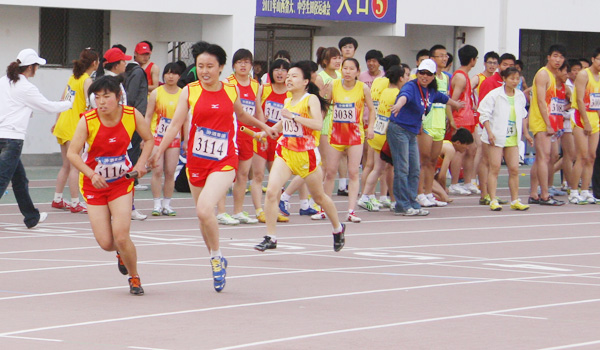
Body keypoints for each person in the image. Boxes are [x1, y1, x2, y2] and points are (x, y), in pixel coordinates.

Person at [148, 41, 277, 292]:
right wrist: (159, 150)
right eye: (200, 66)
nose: (205, 71)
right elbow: (175, 125)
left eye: (210, 66)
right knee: (202, 216)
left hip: (224, 159)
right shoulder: (190, 91)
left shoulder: (230, 90)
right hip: (197, 161)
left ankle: (217, 257)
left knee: (206, 209)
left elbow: (241, 116)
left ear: (220, 68)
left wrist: (264, 127)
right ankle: (215, 257)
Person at [67, 76, 154, 295]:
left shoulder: (131, 115)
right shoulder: (87, 120)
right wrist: (90, 173)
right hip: (94, 185)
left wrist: (141, 165)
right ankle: (119, 252)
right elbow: (72, 153)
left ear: (118, 97)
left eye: (106, 97)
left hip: (121, 183)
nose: (101, 102)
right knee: (107, 242)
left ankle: (134, 277)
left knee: (122, 235)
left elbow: (149, 140)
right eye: (97, 97)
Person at [253, 62, 345, 252]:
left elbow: (318, 125)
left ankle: (338, 228)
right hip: (285, 152)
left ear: (305, 81)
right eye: (288, 76)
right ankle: (271, 237)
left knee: (319, 197)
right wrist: (269, 131)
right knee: (271, 192)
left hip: (306, 155)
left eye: (294, 76)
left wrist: (293, 117)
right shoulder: (288, 100)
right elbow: (283, 120)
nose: (288, 79)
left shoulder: (310, 99)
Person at [0, 49, 72, 228]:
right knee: (2, 180)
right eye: (36, 66)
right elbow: (48, 107)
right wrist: (70, 103)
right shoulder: (26, 87)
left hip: (3, 136)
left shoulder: (4, 81)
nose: (37, 69)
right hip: (13, 139)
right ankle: (31, 216)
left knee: (20, 180)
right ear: (30, 67)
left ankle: (31, 217)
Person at [389, 59, 464, 216]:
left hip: (411, 132)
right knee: (402, 167)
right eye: (421, 73)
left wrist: (456, 105)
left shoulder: (430, 90)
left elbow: (443, 99)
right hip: (399, 129)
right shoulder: (411, 86)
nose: (424, 76)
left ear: (433, 76)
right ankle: (401, 205)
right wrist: (398, 105)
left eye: (428, 74)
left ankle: (412, 202)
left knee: (415, 168)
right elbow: (404, 96)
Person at [317, 58, 375, 223]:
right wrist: (318, 123)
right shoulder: (334, 85)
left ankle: (351, 211)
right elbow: (325, 105)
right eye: (345, 68)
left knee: (353, 172)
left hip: (355, 136)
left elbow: (371, 109)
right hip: (336, 134)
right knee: (330, 171)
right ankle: (324, 209)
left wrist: (370, 127)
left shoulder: (363, 88)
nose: (348, 72)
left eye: (351, 69)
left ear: (358, 71)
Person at [51, 48, 99, 214]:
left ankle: (57, 198)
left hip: (63, 124)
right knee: (75, 167)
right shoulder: (86, 81)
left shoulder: (73, 77)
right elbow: (91, 105)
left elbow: (62, 99)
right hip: (74, 126)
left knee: (66, 165)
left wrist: (56, 122)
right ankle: (75, 202)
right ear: (95, 63)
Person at [479, 67, 531, 211]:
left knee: (514, 169)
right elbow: (484, 114)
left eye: (517, 78)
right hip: (496, 136)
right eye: (511, 78)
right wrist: (489, 132)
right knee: (494, 168)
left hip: (513, 137)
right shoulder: (494, 95)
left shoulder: (520, 96)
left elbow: (523, 115)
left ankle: (515, 200)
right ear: (504, 79)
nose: (515, 81)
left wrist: (526, 134)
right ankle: (493, 200)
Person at [221, 49, 261, 225]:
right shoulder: (227, 83)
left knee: (243, 174)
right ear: (234, 65)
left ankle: (237, 211)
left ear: (251, 65)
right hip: (231, 133)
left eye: (246, 62)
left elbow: (258, 109)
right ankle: (221, 211)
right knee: (226, 174)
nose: (243, 65)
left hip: (248, 134)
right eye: (239, 62)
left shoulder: (255, 85)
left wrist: (262, 130)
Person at [360, 65, 407, 211]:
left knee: (379, 168)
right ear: (400, 78)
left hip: (378, 132)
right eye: (406, 75)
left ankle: (373, 197)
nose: (407, 78)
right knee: (380, 169)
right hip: (387, 134)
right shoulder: (398, 95)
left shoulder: (385, 91)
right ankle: (365, 196)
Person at [416, 44, 457, 208]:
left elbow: (445, 100)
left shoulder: (445, 78)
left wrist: (450, 119)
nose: (444, 58)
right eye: (441, 55)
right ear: (431, 59)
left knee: (433, 161)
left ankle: (428, 193)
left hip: (440, 124)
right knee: (423, 160)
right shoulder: (422, 78)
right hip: (426, 123)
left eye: (446, 55)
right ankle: (419, 193)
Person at [252, 59, 291, 223]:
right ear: (271, 72)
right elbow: (254, 110)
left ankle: (274, 209)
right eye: (277, 69)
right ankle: (259, 210)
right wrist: (262, 121)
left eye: (283, 70)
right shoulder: (264, 89)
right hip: (263, 136)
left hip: (280, 140)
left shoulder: (291, 93)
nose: (280, 73)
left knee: (278, 179)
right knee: (258, 175)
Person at [528, 45, 567, 206]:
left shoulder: (551, 75)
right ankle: (544, 194)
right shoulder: (543, 74)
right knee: (543, 158)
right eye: (555, 56)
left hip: (546, 121)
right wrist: (548, 124)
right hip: (541, 122)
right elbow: (541, 101)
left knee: (542, 159)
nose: (558, 60)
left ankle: (534, 193)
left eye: (561, 57)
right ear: (548, 57)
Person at [145, 62, 184, 216]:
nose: (170, 76)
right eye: (167, 73)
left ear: (179, 76)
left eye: (174, 73)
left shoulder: (182, 94)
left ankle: (167, 204)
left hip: (174, 139)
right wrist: (146, 136)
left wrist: (185, 139)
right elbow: (148, 115)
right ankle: (156, 203)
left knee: (170, 171)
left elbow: (186, 119)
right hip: (156, 137)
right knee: (157, 170)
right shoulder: (156, 93)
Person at [445, 45, 478, 201]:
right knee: (459, 151)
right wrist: (451, 120)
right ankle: (454, 183)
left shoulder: (465, 75)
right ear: (472, 60)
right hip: (460, 119)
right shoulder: (460, 77)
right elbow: (451, 100)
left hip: (469, 118)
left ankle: (468, 181)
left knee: (472, 149)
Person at [572, 48, 600, 204]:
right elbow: (580, 100)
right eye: (599, 59)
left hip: (595, 118)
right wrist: (586, 122)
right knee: (581, 156)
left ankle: (585, 190)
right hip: (581, 118)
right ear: (593, 59)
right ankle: (574, 191)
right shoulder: (584, 75)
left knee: (591, 157)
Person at [434, 128, 474, 203]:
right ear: (458, 143)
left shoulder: (446, 144)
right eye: (466, 145)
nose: (467, 148)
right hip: (422, 175)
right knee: (443, 197)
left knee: (438, 194)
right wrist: (443, 190)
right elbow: (442, 176)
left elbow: (437, 174)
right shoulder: (450, 150)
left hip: (424, 174)